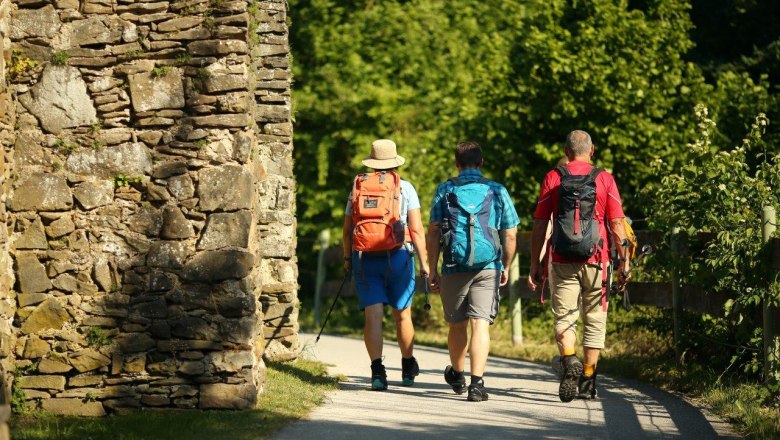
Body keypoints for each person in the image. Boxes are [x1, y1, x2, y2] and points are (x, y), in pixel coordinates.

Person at [528, 130, 631, 402]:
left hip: (561, 259)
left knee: (565, 316)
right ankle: (587, 378)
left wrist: (535, 264)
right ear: (592, 150)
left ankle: (569, 358)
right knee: (595, 319)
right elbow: (617, 223)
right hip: (598, 259)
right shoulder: (604, 179)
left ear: (566, 150)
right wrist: (625, 263)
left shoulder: (554, 177)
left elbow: (540, 224)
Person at [427, 141, 519, 402]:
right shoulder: (497, 190)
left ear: (457, 163)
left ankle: (457, 374)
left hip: (453, 266)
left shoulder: (444, 190)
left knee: (457, 325)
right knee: (480, 325)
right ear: (481, 162)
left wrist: (432, 269)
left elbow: (433, 231)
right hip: (488, 266)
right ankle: (477, 385)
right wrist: (506, 265)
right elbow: (510, 234)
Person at [342, 139, 430, 391]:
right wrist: (425, 264)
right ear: (394, 162)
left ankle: (377, 372)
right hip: (400, 257)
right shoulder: (405, 188)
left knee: (373, 317)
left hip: (366, 258)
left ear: (371, 161)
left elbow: (347, 230)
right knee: (403, 315)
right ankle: (407, 367)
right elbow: (417, 229)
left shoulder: (357, 186)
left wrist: (347, 259)